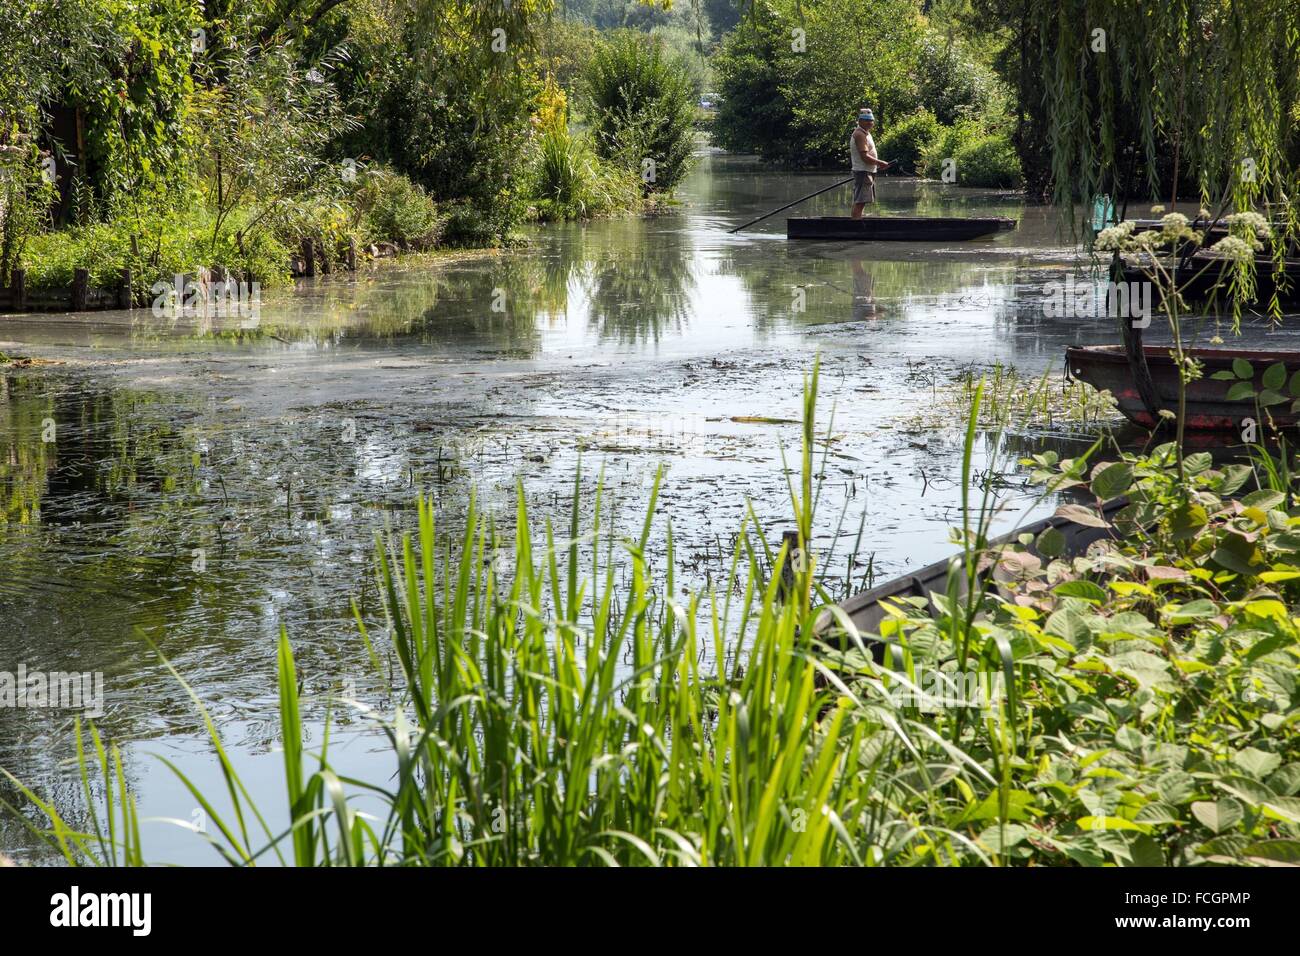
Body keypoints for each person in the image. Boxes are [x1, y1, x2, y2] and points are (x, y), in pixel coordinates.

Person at [849, 110, 891, 219]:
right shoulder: (859, 134)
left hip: (867, 170)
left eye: (871, 120)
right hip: (863, 172)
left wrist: (876, 165)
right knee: (860, 201)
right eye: (867, 120)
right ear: (860, 121)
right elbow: (864, 157)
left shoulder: (866, 133)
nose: (870, 123)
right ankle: (856, 226)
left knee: (862, 200)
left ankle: (858, 220)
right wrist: (880, 163)